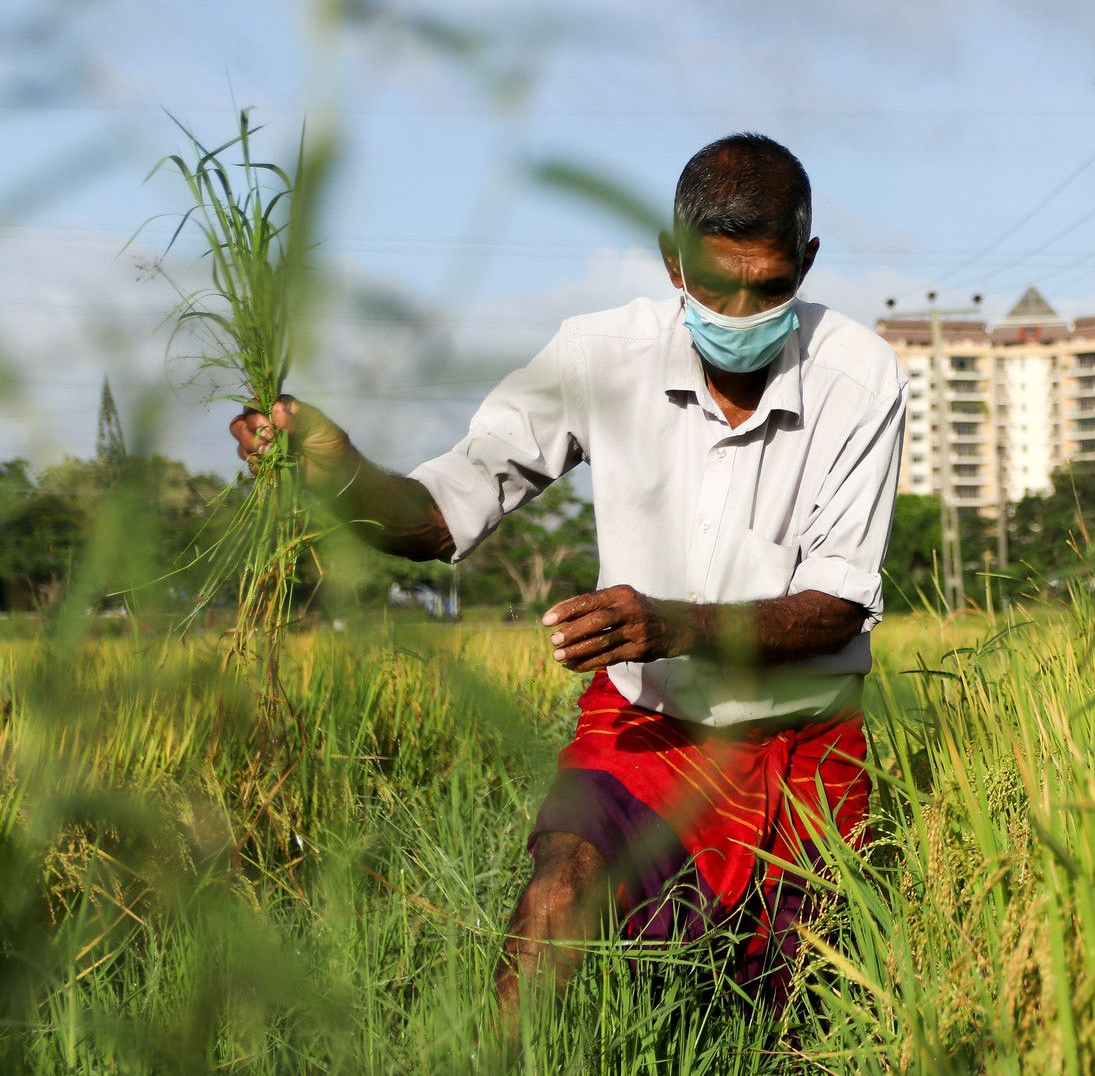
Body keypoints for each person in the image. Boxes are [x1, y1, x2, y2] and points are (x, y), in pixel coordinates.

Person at [229, 133, 906, 1015]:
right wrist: (342, 469)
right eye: (713, 285)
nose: (740, 315)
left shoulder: (859, 374)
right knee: (557, 894)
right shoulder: (599, 355)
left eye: (770, 287)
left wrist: (672, 623)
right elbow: (439, 517)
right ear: (672, 260)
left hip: (804, 739)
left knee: (800, 1008)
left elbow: (836, 607)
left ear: (808, 262)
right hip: (646, 721)